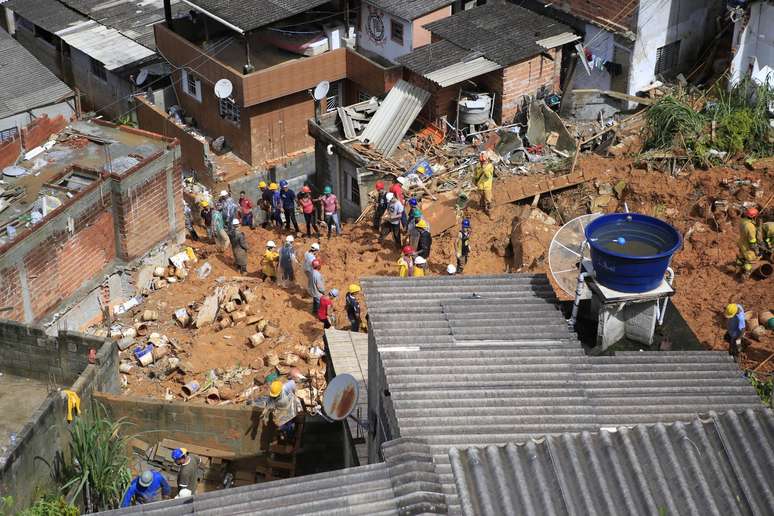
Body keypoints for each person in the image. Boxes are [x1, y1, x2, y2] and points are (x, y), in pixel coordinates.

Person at [736, 207, 760, 277]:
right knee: (750, 260)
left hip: (741, 243)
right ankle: (746, 274)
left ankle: (737, 269)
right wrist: (757, 251)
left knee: (741, 257)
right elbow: (752, 241)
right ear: (754, 217)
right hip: (747, 247)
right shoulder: (750, 227)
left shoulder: (742, 221)